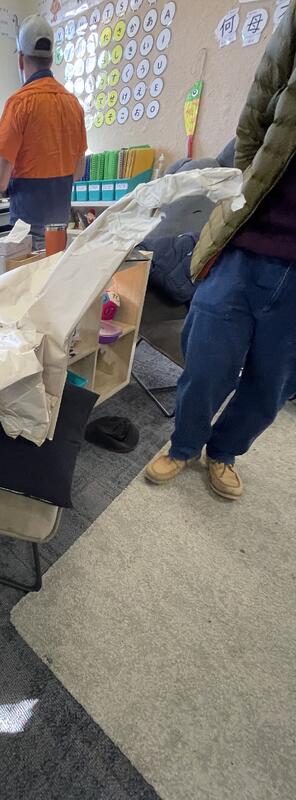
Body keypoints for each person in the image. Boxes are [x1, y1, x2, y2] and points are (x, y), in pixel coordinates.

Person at [146, 6, 296, 500]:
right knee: (206, 360)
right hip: (246, 242)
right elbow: (256, 115)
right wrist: (245, 192)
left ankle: (225, 451)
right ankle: (184, 445)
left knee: (272, 385)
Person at [0, 14, 87, 250]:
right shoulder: (73, 104)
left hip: (26, 237)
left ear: (21, 60)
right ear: (51, 59)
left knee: (27, 275)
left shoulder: (19, 104)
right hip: (59, 233)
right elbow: (78, 172)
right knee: (56, 273)